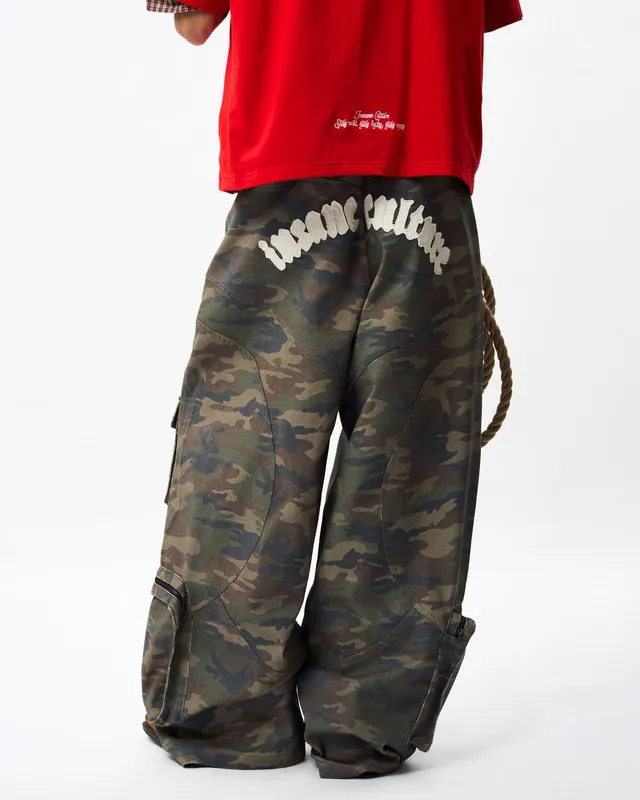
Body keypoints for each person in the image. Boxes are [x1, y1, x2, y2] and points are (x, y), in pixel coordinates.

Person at [141, 0, 523, 779]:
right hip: (428, 177)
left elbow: (190, 22)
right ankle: (366, 726)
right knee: (409, 473)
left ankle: (222, 720)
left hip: (288, 169)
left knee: (247, 458)